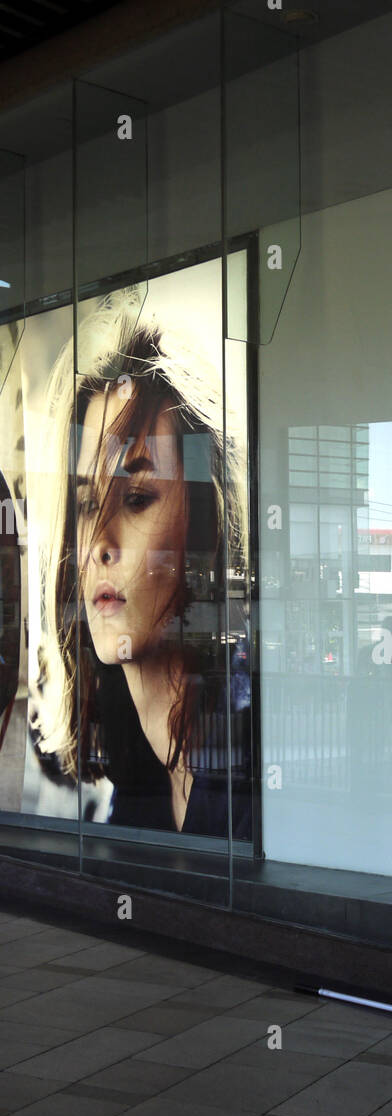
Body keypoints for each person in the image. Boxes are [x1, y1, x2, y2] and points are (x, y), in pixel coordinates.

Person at [29, 291, 253, 839]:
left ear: (206, 523)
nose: (100, 542)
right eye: (86, 505)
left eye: (136, 499)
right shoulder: (131, 786)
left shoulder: (248, 762)